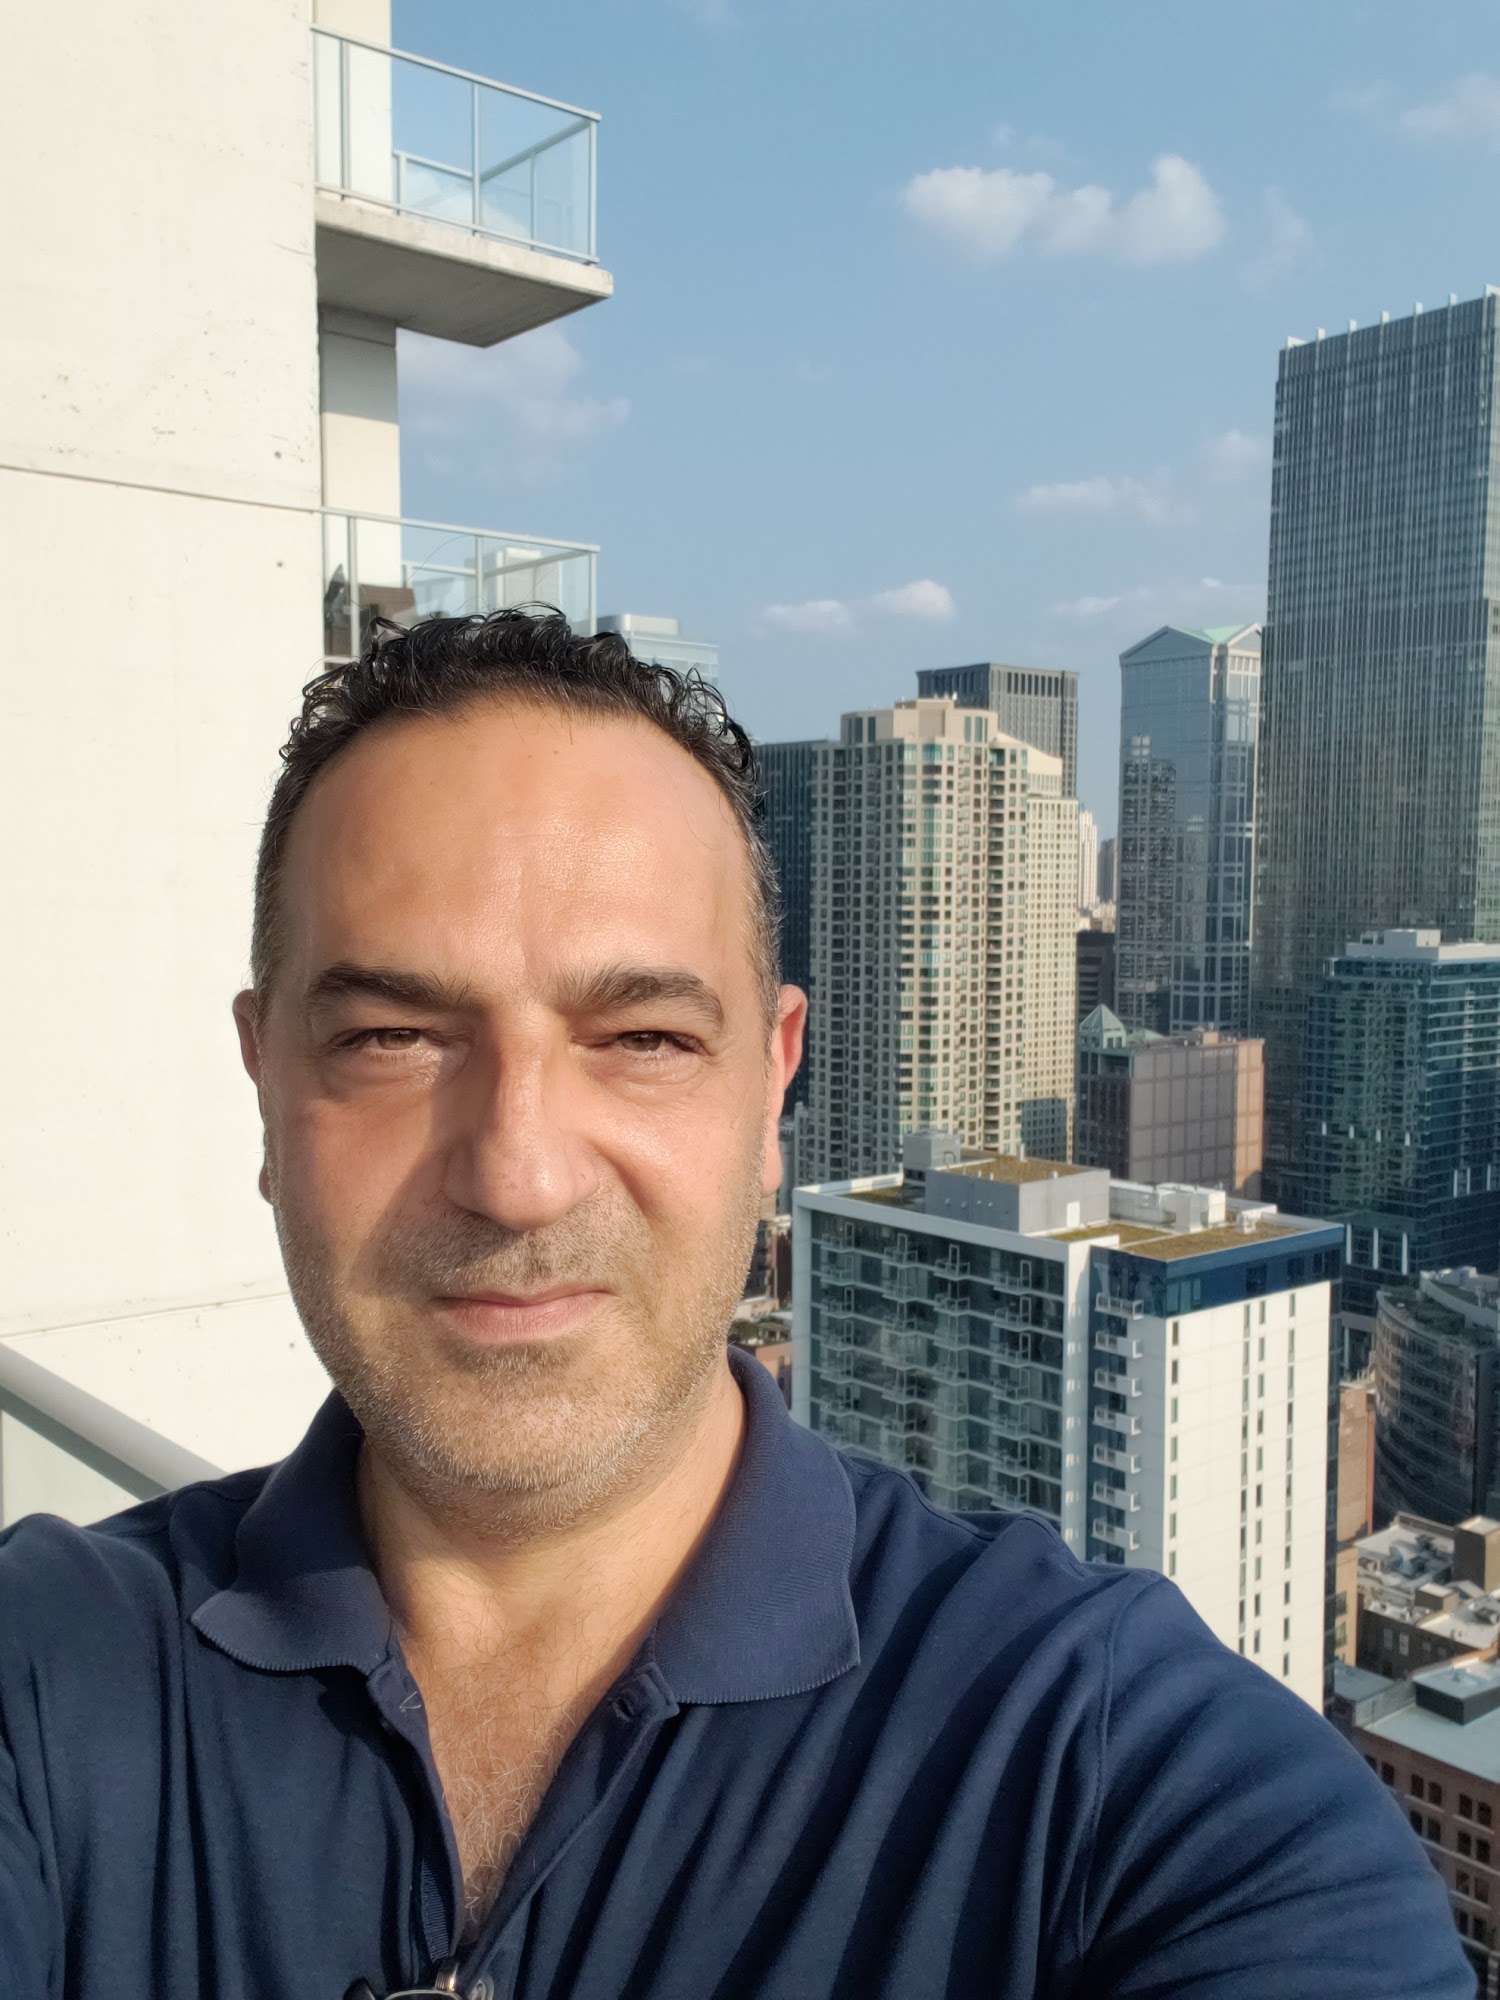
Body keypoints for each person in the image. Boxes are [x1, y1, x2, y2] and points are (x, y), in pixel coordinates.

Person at [0, 610, 1474, 2000]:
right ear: (263, 1081)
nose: (517, 1176)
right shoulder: (45, 1671)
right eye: (391, 1036)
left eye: (642, 1038)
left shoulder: (1114, 1775)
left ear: (773, 1090)